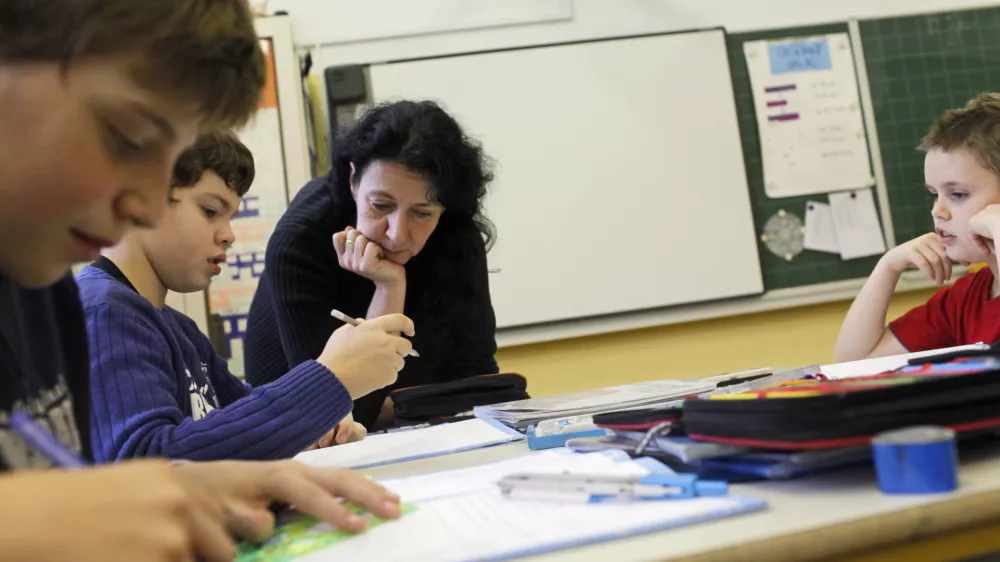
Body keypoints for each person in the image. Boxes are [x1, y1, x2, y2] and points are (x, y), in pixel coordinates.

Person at [0, 1, 401, 561]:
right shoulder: (99, 306)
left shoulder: (46, 298)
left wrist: (193, 486)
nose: (141, 207)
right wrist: (325, 381)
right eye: (126, 137)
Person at [78, 131, 409, 463]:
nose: (228, 234)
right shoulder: (105, 313)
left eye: (230, 217)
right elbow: (146, 462)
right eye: (210, 210)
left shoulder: (178, 328)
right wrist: (330, 378)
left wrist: (313, 426)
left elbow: (241, 420)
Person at [244, 100, 501, 429]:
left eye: (422, 213)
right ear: (353, 181)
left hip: (415, 432)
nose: (396, 233)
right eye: (381, 205)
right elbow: (340, 415)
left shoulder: (457, 235)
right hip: (295, 443)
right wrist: (389, 286)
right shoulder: (301, 240)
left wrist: (404, 407)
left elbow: (478, 383)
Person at [834, 93, 1000, 362]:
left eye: (957, 194)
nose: (938, 211)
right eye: (934, 194)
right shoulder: (965, 299)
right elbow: (853, 364)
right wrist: (887, 267)